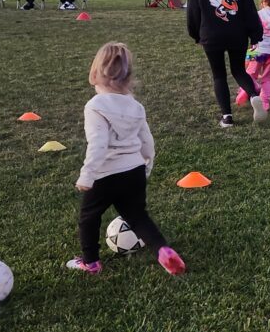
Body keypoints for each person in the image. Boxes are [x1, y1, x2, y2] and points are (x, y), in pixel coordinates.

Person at [67, 42, 186, 275]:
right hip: (134, 170)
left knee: (89, 217)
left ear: (93, 74)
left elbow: (98, 144)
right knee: (138, 216)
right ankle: (163, 249)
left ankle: (90, 262)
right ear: (128, 77)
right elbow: (147, 141)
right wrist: (146, 165)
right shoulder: (135, 106)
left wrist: (87, 175)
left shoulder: (95, 106)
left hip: (105, 174)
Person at [187, 0, 266, 127]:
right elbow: (248, 7)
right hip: (236, 34)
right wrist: (255, 34)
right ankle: (254, 96)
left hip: (210, 34)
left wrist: (195, 34)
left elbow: (192, 10)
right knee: (238, 70)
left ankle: (227, 117)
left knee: (219, 75)